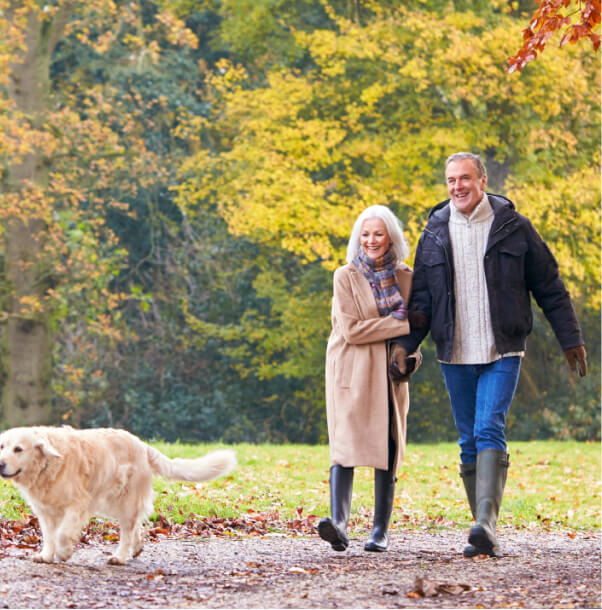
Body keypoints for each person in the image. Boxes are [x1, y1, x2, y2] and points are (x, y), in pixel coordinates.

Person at [391, 152, 587, 557]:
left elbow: (549, 285)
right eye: (450, 181)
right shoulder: (435, 231)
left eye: (465, 178)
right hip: (454, 350)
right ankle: (481, 531)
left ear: (482, 181)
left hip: (503, 347)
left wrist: (570, 338)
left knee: (488, 428)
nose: (457, 187)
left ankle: (486, 524)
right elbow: (423, 300)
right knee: (467, 440)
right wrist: (407, 345)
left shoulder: (514, 227)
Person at [318, 205, 425, 553]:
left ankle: (380, 530)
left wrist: (411, 355)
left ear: (391, 236)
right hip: (351, 369)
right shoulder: (344, 276)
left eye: (378, 233)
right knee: (345, 446)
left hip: (388, 375)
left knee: (388, 447)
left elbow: (416, 337)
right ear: (357, 238)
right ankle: (339, 524)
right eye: (365, 234)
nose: (371, 240)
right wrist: (406, 323)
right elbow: (352, 330)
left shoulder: (408, 277)